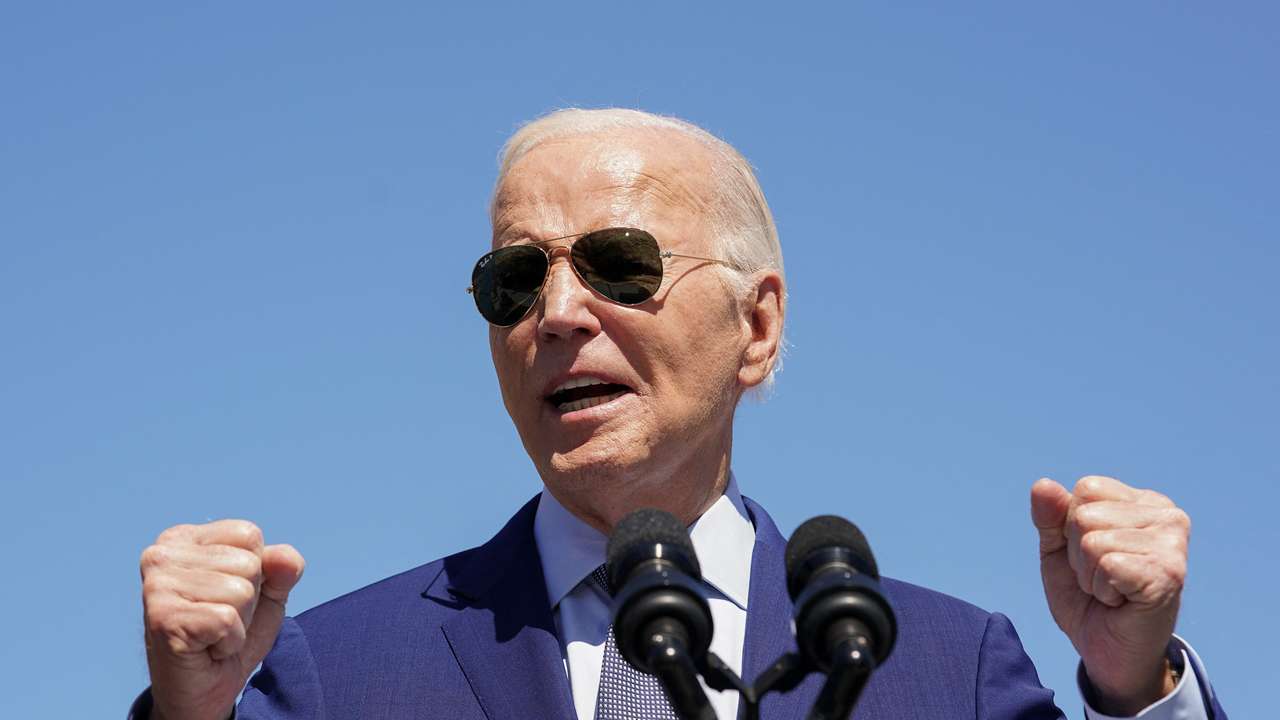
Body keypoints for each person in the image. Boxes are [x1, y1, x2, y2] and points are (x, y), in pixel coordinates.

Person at [130, 108, 1227, 720]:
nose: (556, 314)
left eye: (617, 265)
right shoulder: (339, 672)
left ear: (755, 327)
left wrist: (1137, 689)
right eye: (514, 280)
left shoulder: (940, 670)